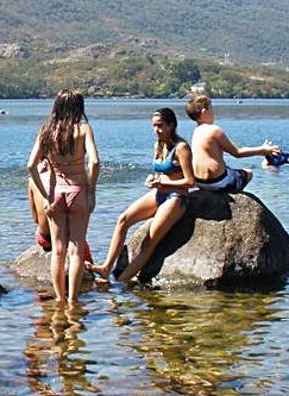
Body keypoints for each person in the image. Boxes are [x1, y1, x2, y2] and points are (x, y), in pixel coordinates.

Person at [86, 108, 194, 283]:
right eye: (154, 126)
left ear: (171, 125)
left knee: (149, 242)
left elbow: (190, 181)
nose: (156, 130)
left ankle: (121, 282)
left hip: (176, 198)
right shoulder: (158, 145)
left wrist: (163, 183)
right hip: (159, 193)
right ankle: (106, 268)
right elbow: (160, 174)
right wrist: (154, 179)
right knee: (123, 219)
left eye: (160, 126)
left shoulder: (181, 148)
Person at [26, 89, 99, 302]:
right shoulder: (83, 128)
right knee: (76, 249)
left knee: (58, 250)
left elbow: (31, 165)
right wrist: (91, 189)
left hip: (56, 191)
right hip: (78, 190)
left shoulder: (46, 130)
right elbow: (94, 162)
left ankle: (59, 299)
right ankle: (73, 300)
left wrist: (46, 194)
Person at [186, 94, 278, 193]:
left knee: (230, 170)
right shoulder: (214, 130)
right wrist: (263, 149)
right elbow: (237, 153)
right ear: (204, 112)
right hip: (217, 181)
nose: (214, 113)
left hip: (199, 182)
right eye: (211, 109)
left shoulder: (196, 131)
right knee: (248, 173)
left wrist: (259, 151)